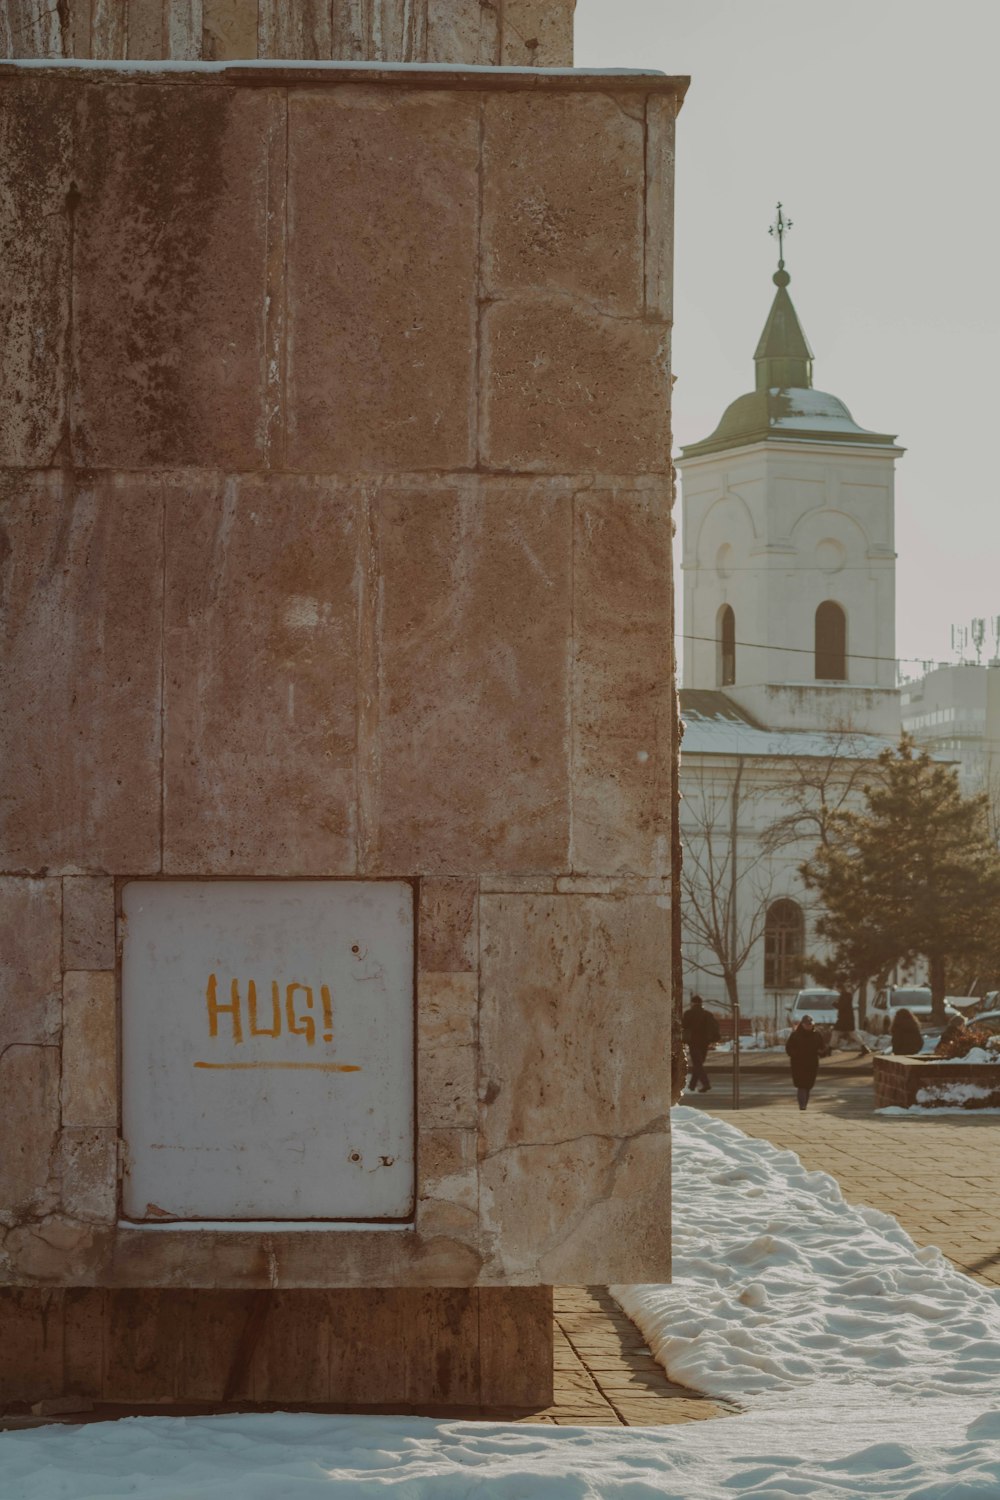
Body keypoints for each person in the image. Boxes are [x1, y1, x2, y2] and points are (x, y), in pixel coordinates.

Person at [785, 1013, 826, 1110]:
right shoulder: (795, 1035)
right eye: (807, 1024)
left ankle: (804, 1104)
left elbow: (822, 1048)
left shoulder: (817, 1035)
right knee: (801, 1085)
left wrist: (822, 1052)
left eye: (810, 1024)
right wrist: (795, 1054)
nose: (809, 1026)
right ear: (802, 1024)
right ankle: (802, 1105)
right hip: (798, 1063)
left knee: (808, 1085)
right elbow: (789, 1048)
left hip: (812, 1063)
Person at [682, 994, 720, 1093]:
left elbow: (684, 1026)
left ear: (692, 1003)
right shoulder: (707, 1014)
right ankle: (692, 1085)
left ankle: (706, 1084)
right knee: (698, 1064)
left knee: (697, 1064)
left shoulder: (688, 1013)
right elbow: (714, 1027)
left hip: (693, 1042)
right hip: (704, 1042)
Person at [832, 990, 869, 1056]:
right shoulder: (847, 996)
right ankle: (864, 1046)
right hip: (847, 1020)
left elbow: (841, 1006)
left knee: (836, 1033)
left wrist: (834, 1003)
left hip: (844, 1020)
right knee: (852, 1034)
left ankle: (831, 1048)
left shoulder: (845, 997)